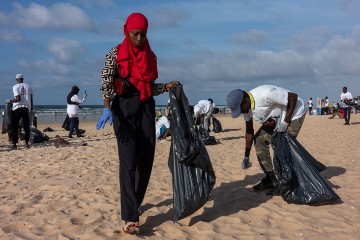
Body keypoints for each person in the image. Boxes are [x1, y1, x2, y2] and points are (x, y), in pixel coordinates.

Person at [95, 12, 178, 234]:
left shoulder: (151, 56)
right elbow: (106, 82)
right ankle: (130, 216)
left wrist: (166, 86)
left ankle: (136, 202)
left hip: (145, 109)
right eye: (135, 34)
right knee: (128, 161)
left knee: (146, 159)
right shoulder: (114, 54)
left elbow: (149, 87)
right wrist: (106, 108)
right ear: (127, 31)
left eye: (143, 34)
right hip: (122, 110)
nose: (139, 38)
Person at [226, 85, 307, 195]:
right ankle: (272, 179)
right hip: (275, 119)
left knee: (281, 145)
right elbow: (249, 131)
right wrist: (246, 156)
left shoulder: (266, 94)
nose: (241, 113)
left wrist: (286, 121)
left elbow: (293, 97)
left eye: (240, 109)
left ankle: (284, 182)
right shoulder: (247, 108)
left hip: (294, 114)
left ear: (245, 101)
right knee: (259, 140)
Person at [6, 74, 33, 149]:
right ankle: (27, 143)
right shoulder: (29, 86)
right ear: (22, 79)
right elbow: (31, 98)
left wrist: (9, 100)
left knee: (15, 126)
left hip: (17, 108)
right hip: (26, 108)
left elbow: (18, 99)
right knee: (26, 126)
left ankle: (15, 144)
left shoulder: (15, 87)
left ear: (16, 80)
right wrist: (31, 109)